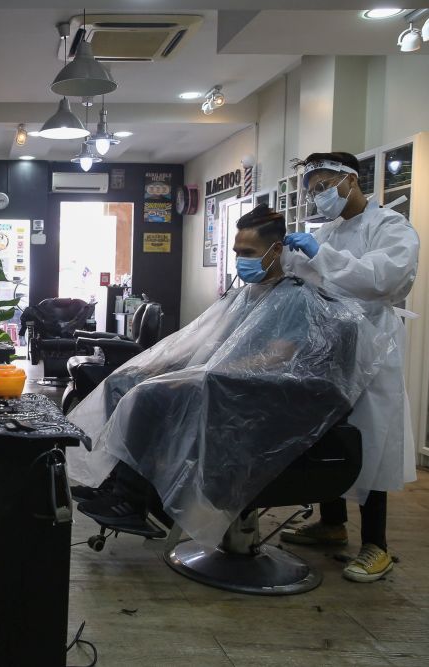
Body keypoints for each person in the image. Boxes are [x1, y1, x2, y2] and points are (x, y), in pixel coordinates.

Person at [67, 205, 389, 548]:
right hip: (224, 387)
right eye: (236, 252)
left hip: (262, 403)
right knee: (125, 381)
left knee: (148, 395)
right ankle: (113, 482)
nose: (240, 260)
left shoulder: (296, 298)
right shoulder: (244, 296)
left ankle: (131, 500)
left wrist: (206, 373)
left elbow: (277, 357)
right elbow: (208, 344)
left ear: (275, 250)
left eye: (248, 253)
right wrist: (158, 366)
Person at [279, 151, 420, 583]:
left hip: (371, 346)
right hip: (329, 344)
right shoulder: (331, 232)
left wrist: (320, 255)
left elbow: (383, 279)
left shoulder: (390, 227)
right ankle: (332, 524)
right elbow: (312, 280)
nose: (318, 196)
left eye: (324, 186)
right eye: (312, 190)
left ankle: (376, 544)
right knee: (328, 431)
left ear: (351, 180)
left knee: (370, 439)